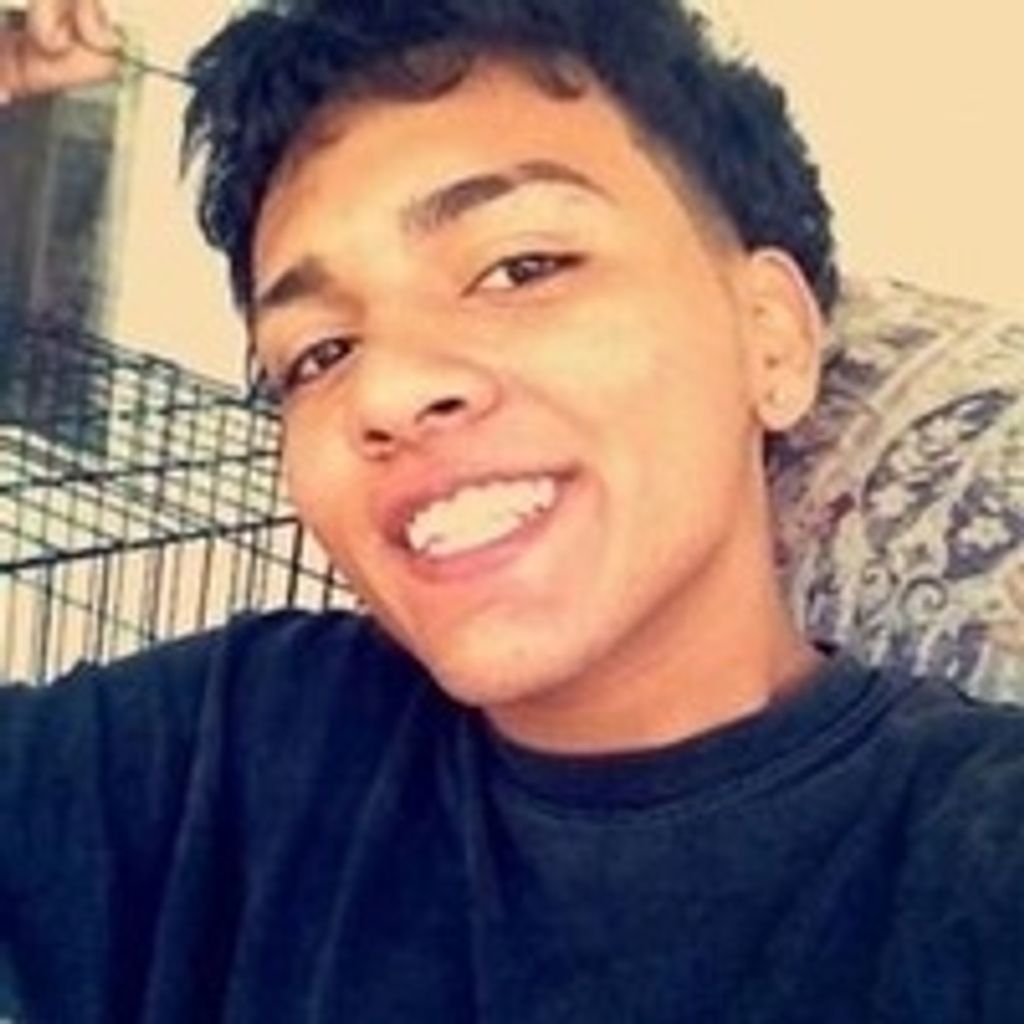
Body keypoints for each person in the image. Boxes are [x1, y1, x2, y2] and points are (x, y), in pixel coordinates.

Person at [1, 0, 1023, 1021]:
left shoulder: (970, 863)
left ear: (771, 340)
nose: (387, 390)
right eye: (319, 353)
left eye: (519, 268)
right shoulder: (235, 748)